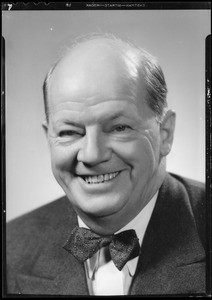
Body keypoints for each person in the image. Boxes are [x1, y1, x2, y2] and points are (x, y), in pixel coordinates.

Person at [6, 34, 206, 296]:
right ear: (49, 139)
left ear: (165, 133)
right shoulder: (10, 246)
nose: (91, 155)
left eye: (119, 127)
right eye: (69, 132)